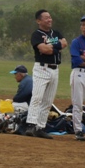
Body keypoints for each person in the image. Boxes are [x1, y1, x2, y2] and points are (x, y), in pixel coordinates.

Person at [26, 9, 67, 139]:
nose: (49, 20)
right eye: (46, 18)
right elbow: (43, 49)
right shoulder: (36, 34)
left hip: (55, 69)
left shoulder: (56, 32)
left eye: (50, 17)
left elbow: (64, 43)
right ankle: (31, 125)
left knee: (48, 101)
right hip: (41, 68)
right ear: (39, 21)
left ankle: (40, 127)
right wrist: (56, 47)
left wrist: (51, 48)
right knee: (37, 97)